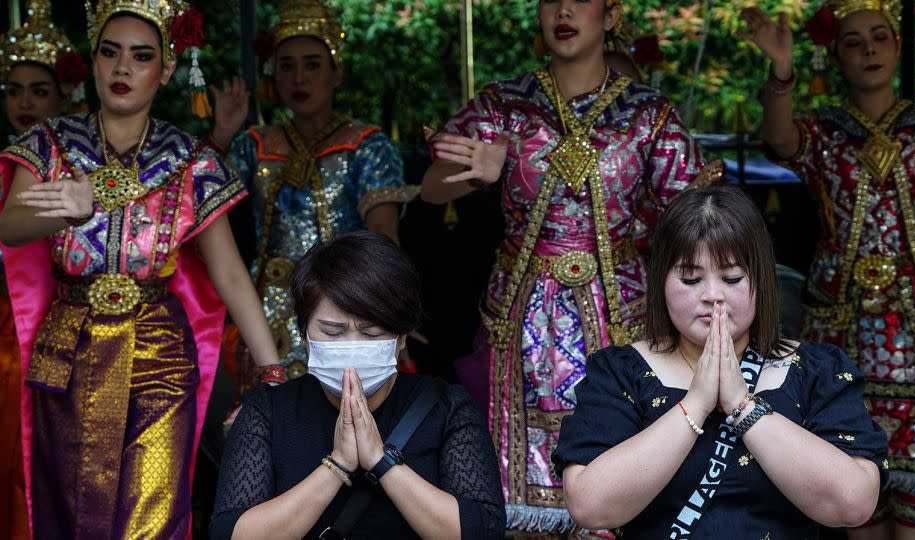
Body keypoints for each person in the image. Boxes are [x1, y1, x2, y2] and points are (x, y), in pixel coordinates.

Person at [421, 0, 718, 534]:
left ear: (609, 15)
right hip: (522, 316)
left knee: (621, 475)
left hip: (620, 313)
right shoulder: (505, 103)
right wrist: (479, 174)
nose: (562, 10)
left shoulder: (648, 114)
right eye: (549, 0)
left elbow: (698, 214)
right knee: (516, 485)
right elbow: (430, 185)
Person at [0, 1, 282, 536]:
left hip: (158, 354)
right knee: (70, 512)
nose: (122, 68)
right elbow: (9, 224)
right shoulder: (50, 143)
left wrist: (272, 372)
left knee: (149, 518)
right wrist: (64, 208)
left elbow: (229, 275)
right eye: (110, 53)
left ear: (168, 70)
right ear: (94, 60)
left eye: (141, 56)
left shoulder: (191, 160)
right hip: (68, 353)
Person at [552, 185, 887, 539]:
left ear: (761, 279)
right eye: (690, 278)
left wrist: (741, 405)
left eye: (731, 278)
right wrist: (695, 404)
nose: (712, 296)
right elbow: (589, 505)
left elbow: (855, 503)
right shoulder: (621, 372)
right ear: (661, 281)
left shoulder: (817, 370)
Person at [741, 1, 915, 536]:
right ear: (835, 56)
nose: (869, 50)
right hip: (841, 325)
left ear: (898, 47)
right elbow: (780, 140)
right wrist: (781, 70)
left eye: (880, 38)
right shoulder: (823, 130)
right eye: (855, 42)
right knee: (850, 495)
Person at [210, 230, 505, 539]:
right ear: (304, 334)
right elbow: (230, 533)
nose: (351, 347)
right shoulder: (268, 410)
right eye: (333, 332)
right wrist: (338, 464)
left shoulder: (446, 407)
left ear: (402, 337)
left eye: (371, 334)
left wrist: (381, 461)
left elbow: (483, 530)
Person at [208, 0, 418, 384]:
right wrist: (221, 134)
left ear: (337, 72)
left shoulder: (366, 145)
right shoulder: (253, 144)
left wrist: (389, 302)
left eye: (312, 64)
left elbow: (383, 233)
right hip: (265, 309)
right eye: (286, 66)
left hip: (344, 305)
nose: (299, 78)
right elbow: (199, 205)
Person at [0, 2, 86, 538]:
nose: (24, 102)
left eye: (38, 90)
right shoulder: (6, 162)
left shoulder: (84, 167)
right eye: (13, 90)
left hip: (64, 333)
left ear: (64, 95)